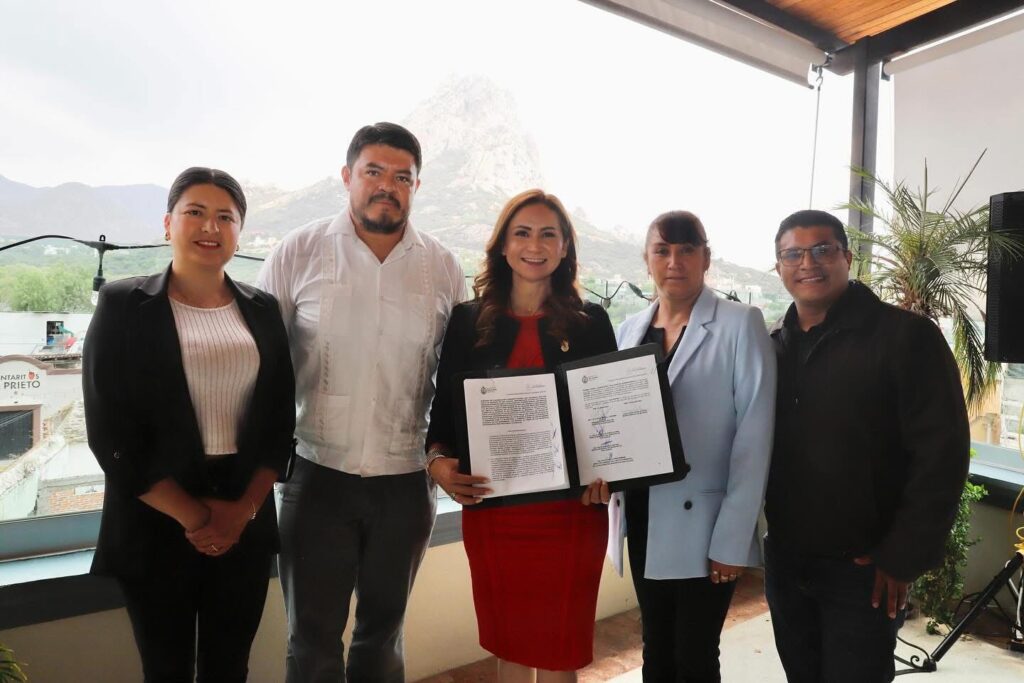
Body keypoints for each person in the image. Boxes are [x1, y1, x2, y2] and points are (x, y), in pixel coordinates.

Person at [256, 122, 465, 682]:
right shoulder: (297, 252)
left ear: (416, 186)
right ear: (348, 176)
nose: (387, 186)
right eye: (374, 171)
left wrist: (447, 456)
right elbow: (263, 367)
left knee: (383, 637)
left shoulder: (443, 266)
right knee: (311, 639)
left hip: (406, 482)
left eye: (402, 177)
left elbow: (461, 379)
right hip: (317, 476)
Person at [83, 167, 296, 682]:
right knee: (166, 669)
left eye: (226, 217)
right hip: (155, 513)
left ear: (239, 232)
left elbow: (278, 418)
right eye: (195, 212)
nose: (210, 227)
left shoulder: (263, 308)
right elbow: (109, 430)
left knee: (230, 666)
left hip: (243, 511)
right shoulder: (123, 304)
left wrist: (241, 511)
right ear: (168, 224)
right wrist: (196, 517)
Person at [764, 209, 970, 683]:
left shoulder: (906, 336)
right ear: (779, 267)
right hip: (787, 560)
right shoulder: (773, 343)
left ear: (848, 257)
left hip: (864, 570)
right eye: (793, 254)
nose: (808, 263)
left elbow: (942, 456)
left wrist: (902, 556)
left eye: (822, 250)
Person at [425, 189, 616, 681]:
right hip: (495, 512)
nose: (535, 245)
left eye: (548, 234)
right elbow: (442, 418)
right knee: (508, 644)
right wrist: (438, 464)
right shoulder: (467, 321)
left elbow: (608, 419)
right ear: (504, 246)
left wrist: (610, 475)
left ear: (565, 246)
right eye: (523, 233)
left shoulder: (592, 322)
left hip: (572, 515)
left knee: (561, 649)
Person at [604, 211, 776, 682]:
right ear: (647, 260)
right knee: (656, 649)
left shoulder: (741, 323)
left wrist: (733, 539)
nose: (674, 261)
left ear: (706, 258)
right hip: (643, 513)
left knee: (695, 655)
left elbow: (754, 438)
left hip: (706, 521)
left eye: (687, 250)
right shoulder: (628, 329)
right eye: (662, 250)